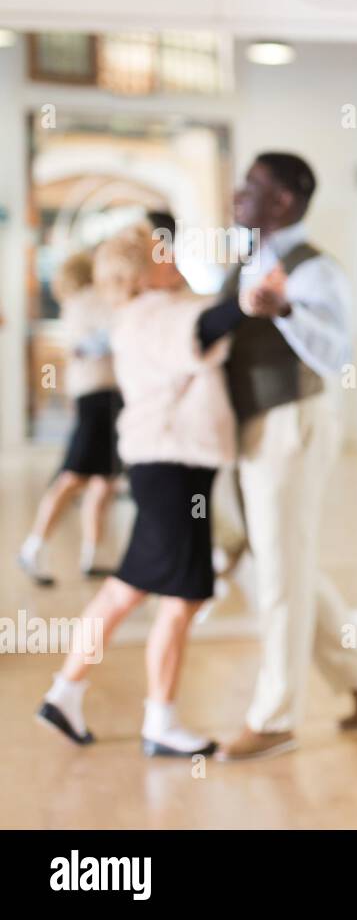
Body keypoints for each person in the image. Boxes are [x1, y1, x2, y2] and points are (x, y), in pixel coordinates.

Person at [36, 222, 264, 756]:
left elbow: (205, 316)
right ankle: (158, 721)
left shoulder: (148, 313)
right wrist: (250, 295)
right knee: (183, 595)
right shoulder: (151, 315)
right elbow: (205, 330)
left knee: (126, 588)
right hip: (172, 465)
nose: (174, 260)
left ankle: (64, 693)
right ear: (142, 273)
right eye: (162, 256)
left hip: (165, 467)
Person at [215, 152, 357, 762]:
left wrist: (286, 310)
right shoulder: (248, 258)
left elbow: (336, 353)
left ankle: (275, 717)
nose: (240, 193)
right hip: (256, 427)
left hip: (292, 424)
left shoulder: (316, 270)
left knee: (280, 571)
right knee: (282, 561)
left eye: (253, 186)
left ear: (284, 201)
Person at [18, 250, 122, 586]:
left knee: (104, 480)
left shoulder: (77, 305)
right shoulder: (88, 301)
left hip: (101, 396)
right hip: (99, 397)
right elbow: (110, 335)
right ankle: (33, 547)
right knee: (73, 476)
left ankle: (93, 556)